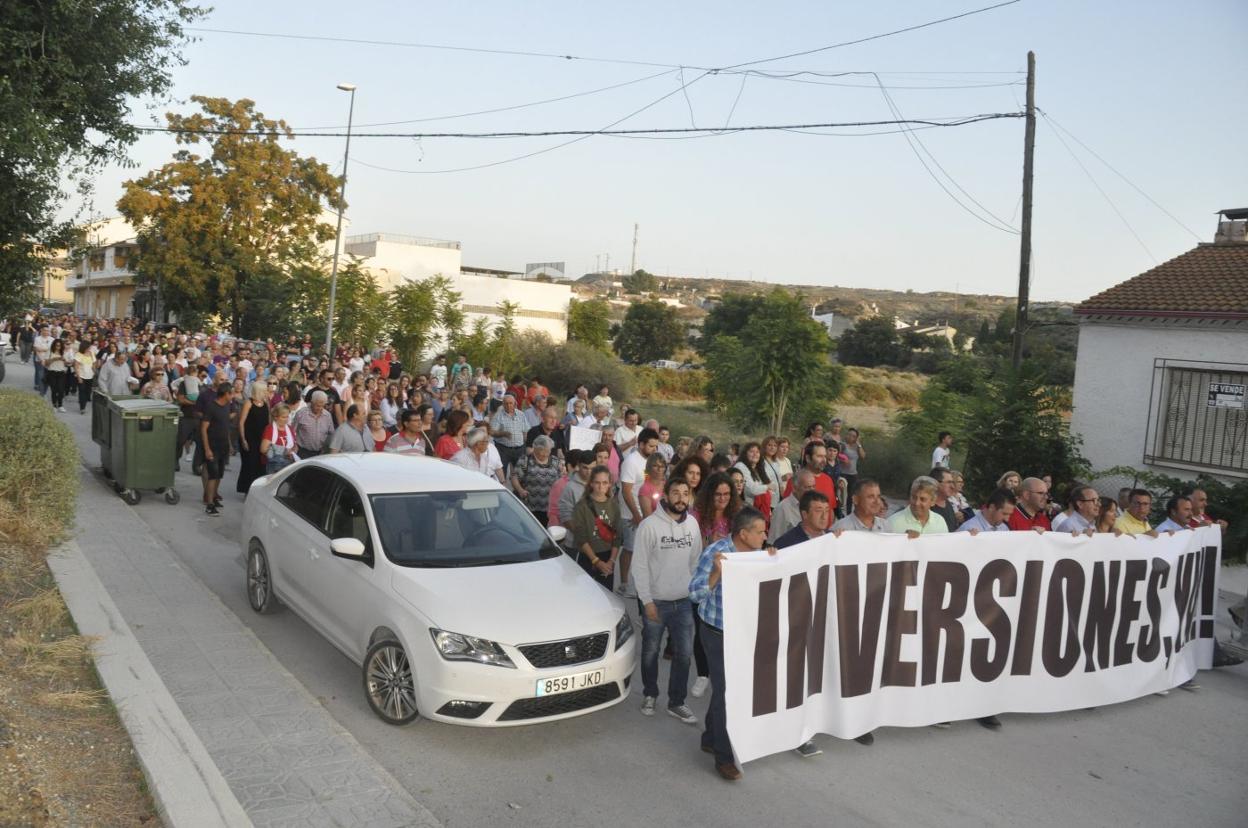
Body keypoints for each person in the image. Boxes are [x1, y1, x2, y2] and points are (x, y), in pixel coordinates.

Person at [688, 507, 773, 781]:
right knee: (728, 693)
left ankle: (710, 737)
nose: (765, 536)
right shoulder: (717, 553)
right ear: (743, 533)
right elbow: (694, 593)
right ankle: (724, 758)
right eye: (760, 531)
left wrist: (773, 561)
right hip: (715, 632)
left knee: (724, 690)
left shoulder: (759, 553)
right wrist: (716, 573)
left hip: (742, 632)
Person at [633, 476, 702, 725]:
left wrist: (695, 593)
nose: (681, 498)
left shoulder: (692, 524)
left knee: (684, 654)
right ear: (666, 495)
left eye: (685, 493)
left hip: (683, 602)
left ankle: (677, 702)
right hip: (656, 602)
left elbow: (696, 561)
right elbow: (639, 566)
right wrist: (647, 601)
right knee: (651, 651)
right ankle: (650, 694)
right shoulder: (649, 526)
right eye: (676, 493)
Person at [617, 427, 660, 598]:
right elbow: (626, 491)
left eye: (656, 446)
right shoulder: (631, 462)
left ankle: (642, 583)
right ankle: (624, 583)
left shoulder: (650, 462)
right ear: (641, 444)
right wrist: (636, 515)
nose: (654, 450)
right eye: (651, 446)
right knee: (630, 549)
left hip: (649, 513)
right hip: (631, 515)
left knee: (645, 551)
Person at [570, 465, 623, 589]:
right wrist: (596, 561)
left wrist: (611, 561)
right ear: (591, 484)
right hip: (588, 557)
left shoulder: (614, 505)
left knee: (607, 596)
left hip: (608, 557)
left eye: (605, 483)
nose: (601, 487)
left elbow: (617, 536)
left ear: (610, 484)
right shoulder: (581, 506)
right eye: (597, 483)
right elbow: (580, 538)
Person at [199, 381, 234, 517]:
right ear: (226, 394)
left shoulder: (226, 406)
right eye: (231, 394)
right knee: (212, 476)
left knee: (219, 474)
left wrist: (229, 444)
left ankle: (213, 497)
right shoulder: (211, 407)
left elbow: (226, 428)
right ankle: (209, 504)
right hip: (212, 446)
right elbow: (204, 428)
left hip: (223, 446)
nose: (232, 396)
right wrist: (207, 449)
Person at [512, 435, 561, 525]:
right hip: (530, 506)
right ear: (534, 448)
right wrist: (520, 490)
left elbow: (560, 480)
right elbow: (515, 477)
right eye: (541, 451)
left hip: (550, 507)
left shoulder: (555, 461)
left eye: (547, 451)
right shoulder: (525, 460)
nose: (545, 454)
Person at [236, 381, 271, 494]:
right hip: (249, 438)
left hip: (262, 439)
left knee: (260, 465)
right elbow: (241, 422)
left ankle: (256, 490)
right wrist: (243, 439)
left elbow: (269, 420)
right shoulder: (249, 403)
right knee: (250, 464)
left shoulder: (266, 403)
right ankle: (247, 489)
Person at [692, 472, 740, 547]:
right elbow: (689, 545)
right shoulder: (696, 515)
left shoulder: (737, 513)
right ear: (709, 495)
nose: (722, 498)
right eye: (718, 494)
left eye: (726, 494)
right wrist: (708, 540)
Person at [768, 468, 816, 543]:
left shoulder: (814, 505)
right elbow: (774, 542)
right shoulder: (782, 509)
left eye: (813, 486)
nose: (812, 491)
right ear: (794, 488)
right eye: (807, 487)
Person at [489, 394, 529, 475]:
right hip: (503, 449)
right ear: (503, 404)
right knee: (501, 473)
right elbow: (492, 432)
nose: (508, 405)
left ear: (515, 404)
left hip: (519, 449)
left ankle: (517, 487)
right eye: (506, 403)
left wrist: (524, 444)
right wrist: (502, 433)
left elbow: (526, 430)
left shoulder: (521, 414)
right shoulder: (498, 415)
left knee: (520, 475)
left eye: (511, 403)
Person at [733, 442, 772, 520]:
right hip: (744, 511)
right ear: (745, 454)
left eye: (757, 452)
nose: (755, 454)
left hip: (758, 511)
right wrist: (767, 487)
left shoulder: (758, 469)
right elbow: (751, 489)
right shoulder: (740, 466)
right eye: (751, 451)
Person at [292, 390, 335, 458]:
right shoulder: (301, 414)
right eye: (317, 406)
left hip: (321, 453)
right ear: (311, 402)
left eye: (322, 406)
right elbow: (292, 431)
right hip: (302, 452)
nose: (320, 408)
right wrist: (294, 445)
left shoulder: (327, 416)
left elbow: (331, 433)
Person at [557, 450, 593, 528]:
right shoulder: (569, 487)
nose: (589, 472)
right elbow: (565, 516)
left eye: (592, 468)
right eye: (585, 468)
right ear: (579, 466)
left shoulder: (600, 483)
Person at [259, 404, 299, 473]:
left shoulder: (290, 428)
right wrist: (284, 451)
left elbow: (295, 444)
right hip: (274, 465)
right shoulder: (270, 429)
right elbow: (263, 449)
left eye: (287, 417)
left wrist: (294, 451)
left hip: (288, 464)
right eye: (283, 417)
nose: (286, 419)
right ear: (276, 417)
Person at [638, 454, 667, 519]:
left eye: (662, 466)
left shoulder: (668, 485)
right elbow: (648, 518)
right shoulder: (645, 489)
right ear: (649, 467)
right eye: (655, 466)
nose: (659, 469)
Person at [44, 339, 69, 412]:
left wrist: (65, 361)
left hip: (61, 372)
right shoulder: (50, 352)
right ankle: (54, 405)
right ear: (54, 345)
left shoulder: (64, 352)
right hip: (52, 372)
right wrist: (54, 359)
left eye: (60, 346)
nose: (58, 347)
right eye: (57, 345)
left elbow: (67, 364)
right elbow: (46, 364)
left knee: (61, 390)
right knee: (54, 390)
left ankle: (60, 405)